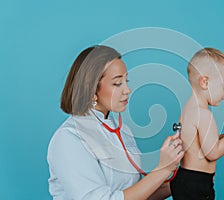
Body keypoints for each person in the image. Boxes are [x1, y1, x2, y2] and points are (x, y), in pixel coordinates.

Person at [47, 45, 184, 200]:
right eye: (118, 83)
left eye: (127, 81)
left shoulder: (122, 130)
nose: (127, 90)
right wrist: (163, 169)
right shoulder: (70, 138)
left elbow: (136, 195)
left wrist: (186, 180)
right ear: (92, 91)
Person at [170, 48, 224, 200]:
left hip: (184, 178)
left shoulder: (188, 109)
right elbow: (213, 153)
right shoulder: (205, 115)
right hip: (197, 184)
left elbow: (208, 141)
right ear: (204, 82)